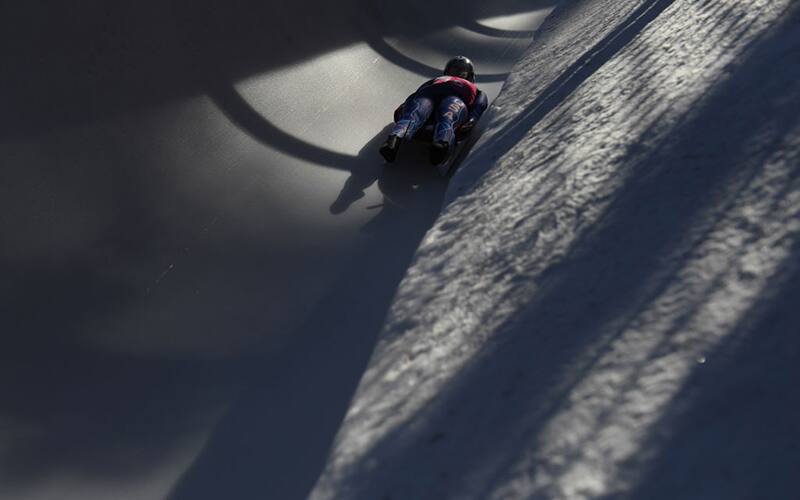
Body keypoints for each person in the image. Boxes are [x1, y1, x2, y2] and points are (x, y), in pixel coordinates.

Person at [379, 56, 489, 165]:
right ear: (447, 71)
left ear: (469, 76)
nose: (458, 74)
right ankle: (394, 140)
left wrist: (472, 118)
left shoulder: (477, 91)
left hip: (456, 99)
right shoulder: (435, 81)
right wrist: (404, 106)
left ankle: (441, 145)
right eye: (454, 70)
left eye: (462, 72)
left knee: (449, 111)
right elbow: (416, 94)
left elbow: (480, 104)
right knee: (418, 109)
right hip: (428, 96)